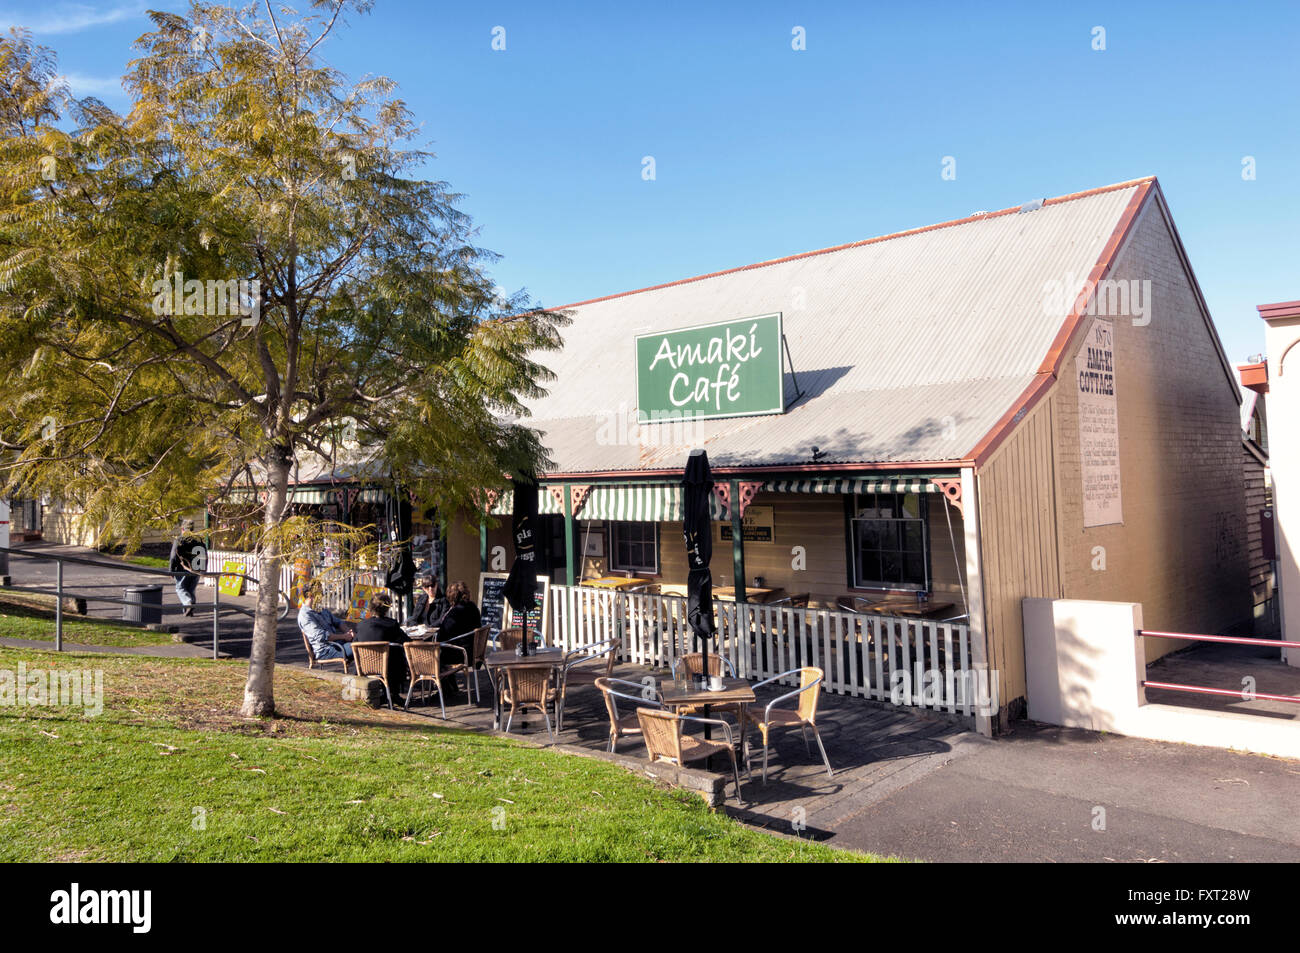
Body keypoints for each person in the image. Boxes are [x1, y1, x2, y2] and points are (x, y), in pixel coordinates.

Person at [355, 591, 410, 692]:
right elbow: (405, 641)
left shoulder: (361, 625)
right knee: (398, 653)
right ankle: (393, 693)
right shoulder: (391, 624)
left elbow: (354, 643)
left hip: (364, 666)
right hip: (388, 669)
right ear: (387, 608)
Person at [297, 581, 355, 663]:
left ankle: (364, 673)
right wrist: (344, 636)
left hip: (338, 644)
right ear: (310, 595)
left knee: (362, 640)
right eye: (320, 593)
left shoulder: (321, 609)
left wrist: (349, 632)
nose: (323, 595)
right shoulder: (305, 615)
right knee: (359, 649)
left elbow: (338, 622)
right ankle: (359, 673)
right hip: (326, 650)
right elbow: (321, 636)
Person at [168, 519, 206, 617]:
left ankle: (188, 603)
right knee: (190, 589)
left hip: (183, 568)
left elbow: (173, 556)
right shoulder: (199, 539)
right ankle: (189, 609)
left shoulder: (180, 539)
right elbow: (204, 554)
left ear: (182, 529)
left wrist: (171, 570)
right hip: (196, 568)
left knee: (180, 588)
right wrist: (203, 568)